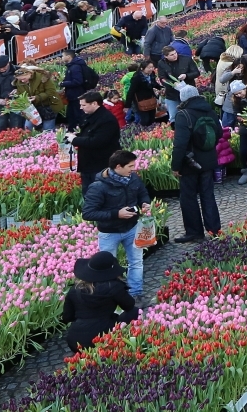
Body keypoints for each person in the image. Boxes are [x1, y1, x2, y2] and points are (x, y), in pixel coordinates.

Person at [80, 150, 151, 299]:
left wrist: (145, 203)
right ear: (118, 166)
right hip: (109, 233)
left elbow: (142, 193)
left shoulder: (132, 178)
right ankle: (112, 298)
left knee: (136, 262)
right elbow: (88, 213)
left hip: (132, 227)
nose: (133, 169)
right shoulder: (98, 186)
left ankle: (135, 294)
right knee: (108, 267)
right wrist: (116, 214)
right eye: (130, 166)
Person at [171, 84, 223, 241]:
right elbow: (219, 133)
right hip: (208, 159)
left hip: (190, 162)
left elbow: (180, 143)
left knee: (188, 197)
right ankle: (214, 229)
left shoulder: (183, 114)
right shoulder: (209, 110)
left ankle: (194, 232)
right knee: (208, 195)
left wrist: (176, 165)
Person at [60, 251, 138, 352]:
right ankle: (127, 343)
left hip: (75, 340)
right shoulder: (113, 287)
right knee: (134, 311)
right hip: (103, 336)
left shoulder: (75, 289)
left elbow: (67, 317)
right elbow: (129, 305)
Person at [72, 90, 122, 189]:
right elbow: (90, 134)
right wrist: (77, 135)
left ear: (94, 103)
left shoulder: (107, 119)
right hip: (88, 165)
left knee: (98, 196)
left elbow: (97, 141)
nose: (81, 108)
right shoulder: (91, 115)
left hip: (100, 165)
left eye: (84, 105)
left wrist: (75, 140)